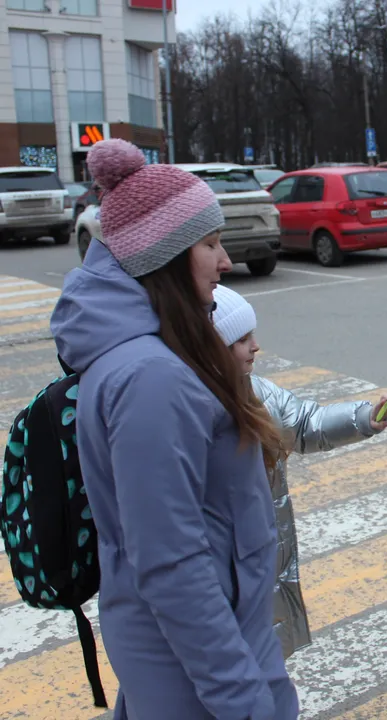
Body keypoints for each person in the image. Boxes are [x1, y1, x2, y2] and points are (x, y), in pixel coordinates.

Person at [49, 139, 298, 720]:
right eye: (210, 244)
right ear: (164, 256)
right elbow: (169, 562)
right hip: (203, 667)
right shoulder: (151, 377)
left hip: (201, 647)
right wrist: (241, 701)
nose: (226, 261)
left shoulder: (152, 357)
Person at [210, 284, 387, 659]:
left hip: (264, 563)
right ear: (213, 348)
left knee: (264, 665)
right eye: (243, 339)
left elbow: (304, 424)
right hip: (227, 577)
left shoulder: (258, 393)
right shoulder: (198, 410)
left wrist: (364, 417)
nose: (256, 346)